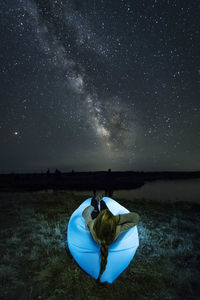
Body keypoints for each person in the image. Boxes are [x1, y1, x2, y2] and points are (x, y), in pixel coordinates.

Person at [82, 193, 140, 283]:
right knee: (104, 207)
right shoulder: (117, 229)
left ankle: (97, 201)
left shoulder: (92, 225)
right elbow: (135, 217)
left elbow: (85, 213)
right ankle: (101, 201)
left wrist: (91, 209)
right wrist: (115, 219)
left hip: (99, 222)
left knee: (94, 205)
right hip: (105, 223)